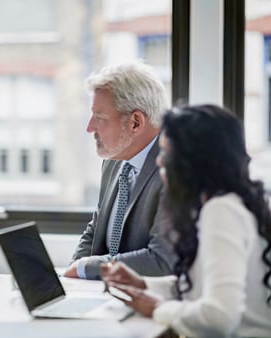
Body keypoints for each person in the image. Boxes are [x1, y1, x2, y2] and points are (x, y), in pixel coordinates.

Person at [101, 104, 271, 337]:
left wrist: (158, 308)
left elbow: (219, 316)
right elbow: (200, 287)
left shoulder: (221, 211)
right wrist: (143, 284)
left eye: (166, 153)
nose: (160, 162)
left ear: (193, 161)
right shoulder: (231, 203)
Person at [64, 61, 175, 280]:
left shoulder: (174, 171)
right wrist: (71, 277)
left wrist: (86, 268)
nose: (89, 127)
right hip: (105, 295)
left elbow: (163, 260)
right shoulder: (114, 160)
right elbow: (95, 230)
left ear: (135, 122)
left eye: (100, 118)